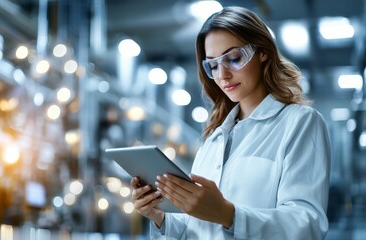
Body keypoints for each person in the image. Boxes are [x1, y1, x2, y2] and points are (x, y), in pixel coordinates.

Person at [130, 6, 331, 240]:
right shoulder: (214, 138)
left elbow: (307, 225)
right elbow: (195, 228)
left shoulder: (300, 123)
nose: (222, 75)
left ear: (263, 52)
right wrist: (158, 215)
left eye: (234, 59)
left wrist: (229, 215)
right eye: (213, 65)